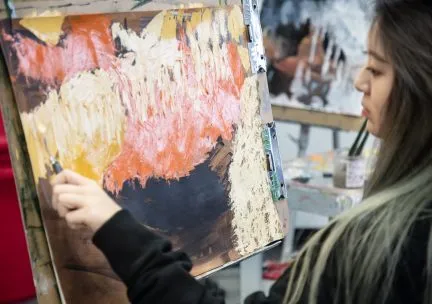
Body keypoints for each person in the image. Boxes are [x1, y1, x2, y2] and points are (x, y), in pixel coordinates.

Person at [50, 1, 432, 303]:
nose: (359, 81)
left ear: (421, 87)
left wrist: (118, 231)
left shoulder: (384, 246)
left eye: (378, 70)